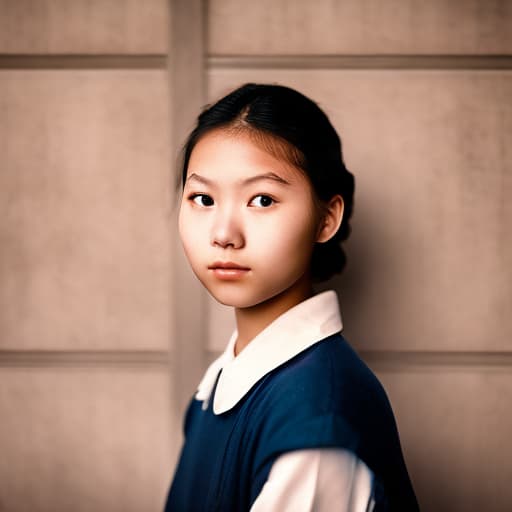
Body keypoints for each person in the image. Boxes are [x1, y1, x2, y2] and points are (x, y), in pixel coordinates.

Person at [164, 83, 419, 511]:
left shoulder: (317, 420)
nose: (224, 234)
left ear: (327, 218)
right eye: (203, 198)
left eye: (262, 200)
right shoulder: (222, 381)